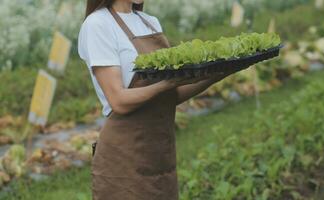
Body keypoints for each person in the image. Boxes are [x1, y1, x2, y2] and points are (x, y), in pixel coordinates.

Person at [78, 0, 239, 199]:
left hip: (159, 153)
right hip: (124, 155)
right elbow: (118, 100)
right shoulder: (98, 24)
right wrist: (167, 84)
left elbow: (171, 96)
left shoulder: (149, 22)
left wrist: (218, 73)